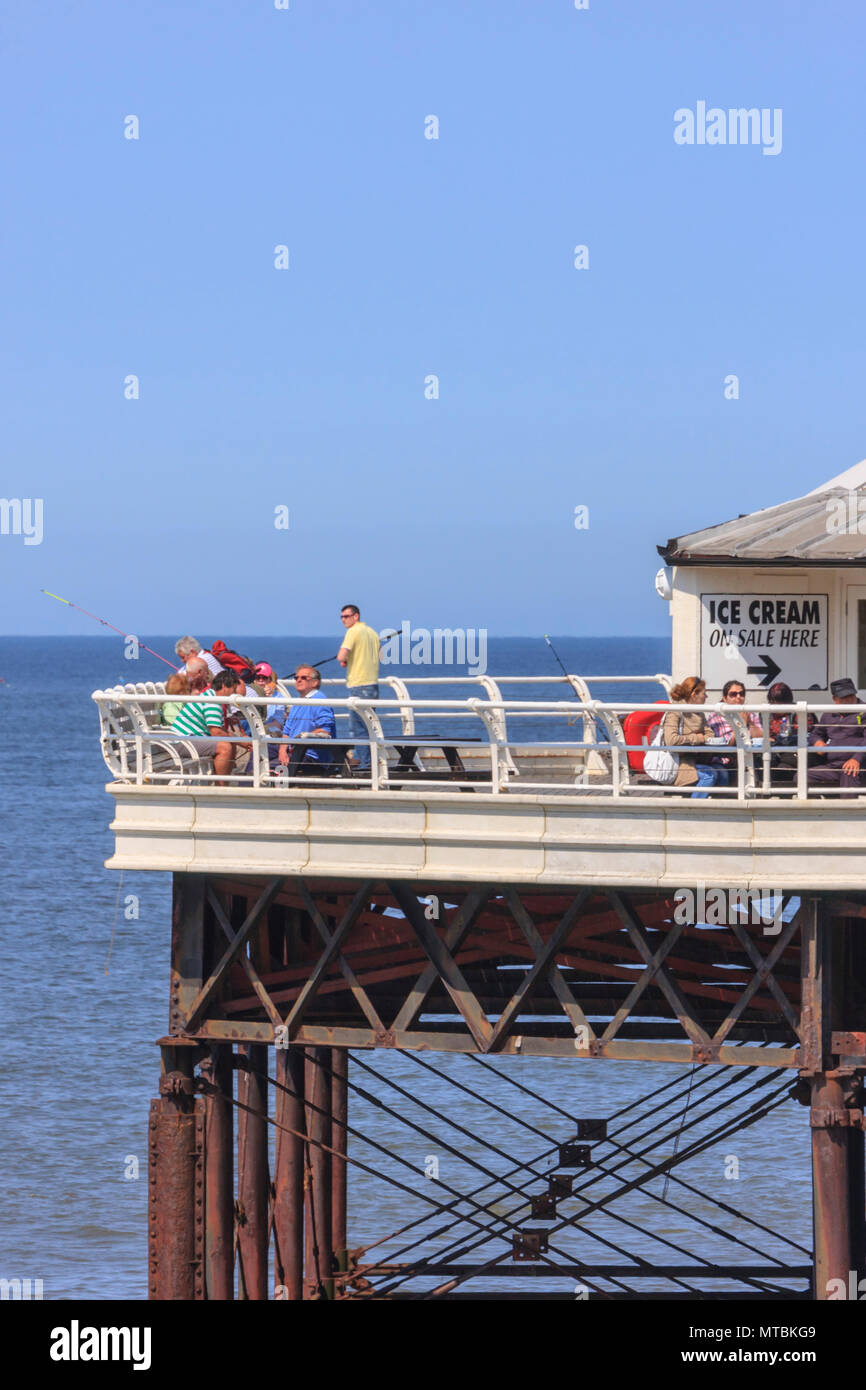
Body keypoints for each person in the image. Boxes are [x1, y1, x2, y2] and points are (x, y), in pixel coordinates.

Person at [170, 668, 250, 782]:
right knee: (225, 747)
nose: (234, 693)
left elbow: (219, 731)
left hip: (186, 739)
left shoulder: (211, 696)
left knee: (230, 744)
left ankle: (224, 783)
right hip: (181, 742)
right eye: (233, 688)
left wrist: (238, 741)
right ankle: (221, 787)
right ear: (224, 686)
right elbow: (216, 732)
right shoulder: (213, 701)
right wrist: (242, 741)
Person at [660, 676, 720, 798]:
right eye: (704, 693)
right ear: (694, 694)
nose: (706, 697)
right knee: (709, 775)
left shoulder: (699, 713)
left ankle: (716, 812)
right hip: (678, 763)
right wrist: (697, 738)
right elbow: (671, 741)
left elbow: (710, 735)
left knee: (723, 773)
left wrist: (699, 738)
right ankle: (693, 811)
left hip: (695, 760)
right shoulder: (675, 711)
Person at [337, 604, 380, 770]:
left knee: (358, 728)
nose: (343, 620)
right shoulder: (372, 633)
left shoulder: (353, 631)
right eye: (341, 617)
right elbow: (377, 653)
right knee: (370, 726)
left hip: (358, 686)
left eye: (346, 616)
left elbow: (341, 655)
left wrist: (344, 658)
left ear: (356, 616)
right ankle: (371, 761)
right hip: (372, 685)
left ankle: (365, 764)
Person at [807, 677, 866, 794]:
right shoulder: (829, 714)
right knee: (802, 776)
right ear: (835, 699)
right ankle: (816, 811)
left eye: (851, 695)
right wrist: (817, 742)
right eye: (844, 697)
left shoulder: (863, 711)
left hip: (859, 765)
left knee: (849, 772)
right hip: (833, 765)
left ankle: (848, 812)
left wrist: (856, 759)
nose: (849, 699)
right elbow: (815, 734)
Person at [278, 666, 337, 776]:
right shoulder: (298, 703)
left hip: (310, 754)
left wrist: (300, 739)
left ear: (315, 682)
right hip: (294, 750)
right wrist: (282, 750)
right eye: (296, 678)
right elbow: (287, 731)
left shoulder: (319, 701)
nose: (299, 680)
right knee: (260, 753)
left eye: (304, 677)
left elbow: (325, 731)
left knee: (268, 765)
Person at [705, 679, 763, 785]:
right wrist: (742, 725)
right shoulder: (717, 716)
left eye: (741, 694)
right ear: (725, 698)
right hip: (725, 760)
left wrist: (750, 723)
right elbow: (727, 744)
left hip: (748, 757)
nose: (738, 697)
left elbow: (760, 737)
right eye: (733, 694)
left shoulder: (749, 714)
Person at [766, 682, 816, 787]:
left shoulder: (800, 713)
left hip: (797, 752)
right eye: (772, 702)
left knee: (781, 768)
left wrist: (777, 741)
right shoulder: (766, 713)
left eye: (779, 703)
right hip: (775, 752)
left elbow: (807, 737)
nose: (775, 706)